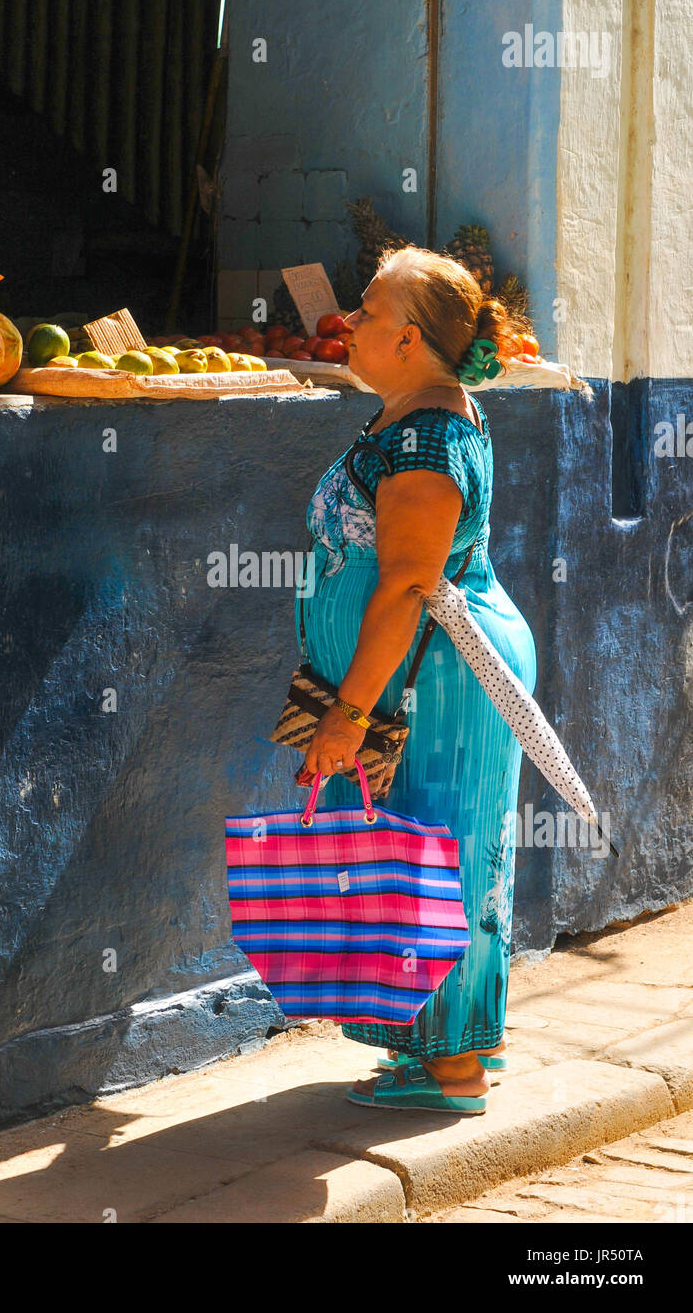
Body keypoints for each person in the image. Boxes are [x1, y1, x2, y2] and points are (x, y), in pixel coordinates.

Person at [298, 244, 539, 1114]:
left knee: (434, 861)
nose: (349, 324)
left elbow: (405, 584)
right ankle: (454, 1043)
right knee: (436, 853)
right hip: (423, 675)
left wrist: (349, 712)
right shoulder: (417, 414)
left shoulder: (427, 442)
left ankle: (454, 1073)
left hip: (435, 681)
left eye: (365, 311)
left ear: (407, 341)